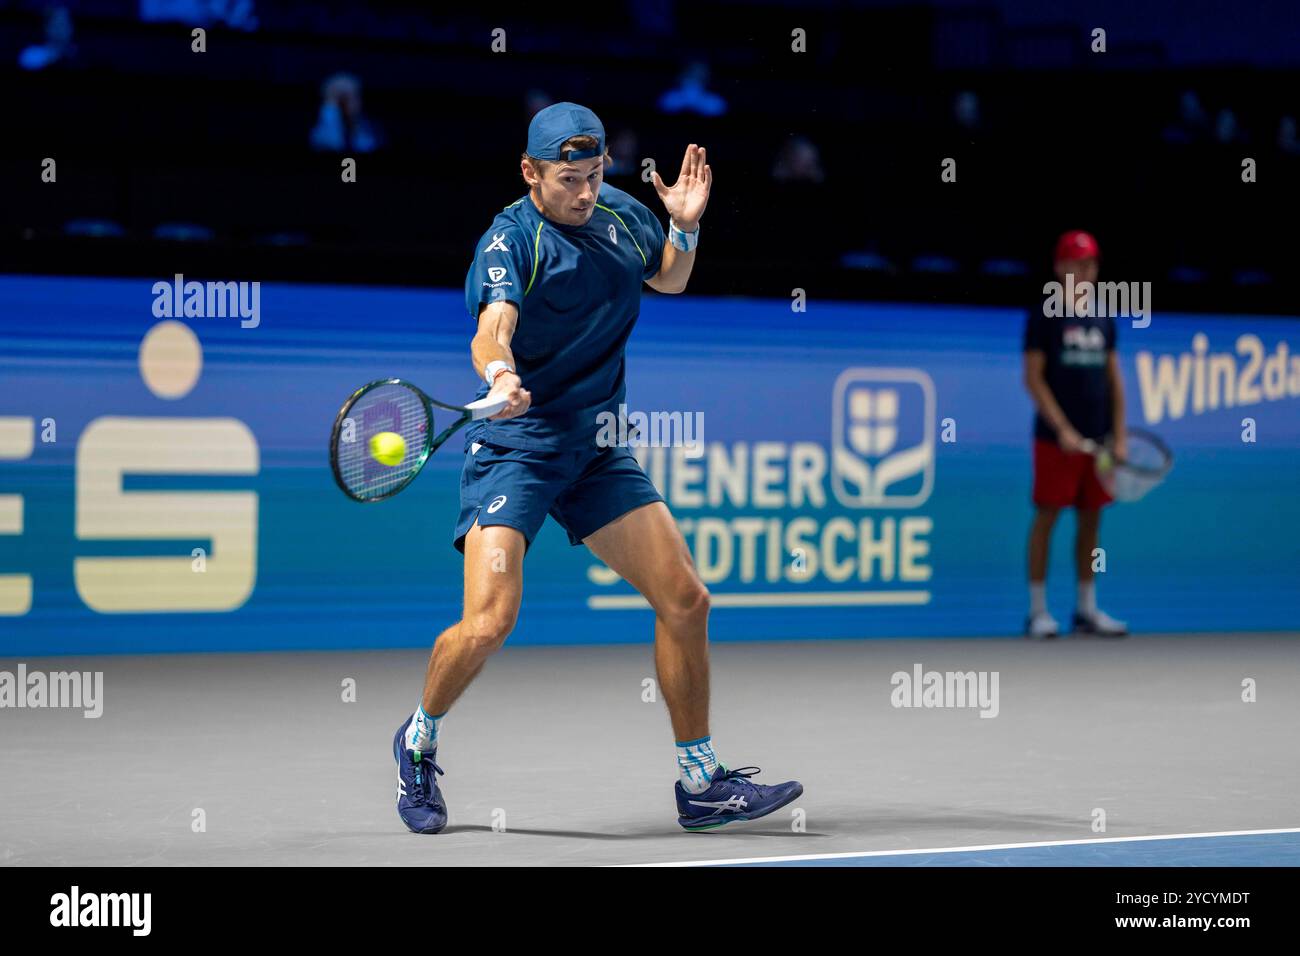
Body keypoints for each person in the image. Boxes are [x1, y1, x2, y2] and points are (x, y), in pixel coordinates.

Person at [393, 102, 802, 833]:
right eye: (567, 179)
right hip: (516, 446)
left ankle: (701, 781)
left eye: (593, 174)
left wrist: (683, 224)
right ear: (530, 172)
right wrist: (499, 377)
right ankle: (418, 738)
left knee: (686, 598)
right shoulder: (509, 239)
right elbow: (494, 326)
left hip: (599, 443)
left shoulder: (616, 213)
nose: (583, 192)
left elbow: (670, 279)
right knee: (489, 622)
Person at [1022, 230, 1128, 638]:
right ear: (1059, 267)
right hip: (1055, 441)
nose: (1083, 272)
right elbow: (1033, 379)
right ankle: (1037, 611)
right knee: (1048, 517)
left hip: (1099, 441)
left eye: (1090, 265)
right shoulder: (1044, 315)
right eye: (1075, 264)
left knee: (1091, 522)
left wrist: (1117, 435)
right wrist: (1063, 429)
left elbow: (1114, 380)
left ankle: (1086, 609)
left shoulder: (1103, 317)